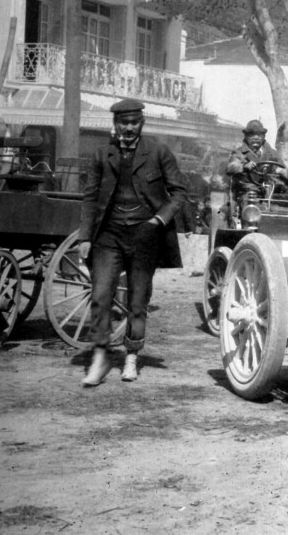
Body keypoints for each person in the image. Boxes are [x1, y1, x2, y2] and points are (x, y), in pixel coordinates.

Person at [78, 99, 188, 386]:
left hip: (144, 236)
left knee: (137, 300)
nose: (128, 128)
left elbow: (179, 193)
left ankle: (131, 357)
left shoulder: (158, 152)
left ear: (142, 123)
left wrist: (157, 221)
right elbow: (90, 197)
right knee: (101, 295)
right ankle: (99, 357)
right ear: (115, 124)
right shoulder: (103, 154)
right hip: (108, 236)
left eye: (134, 122)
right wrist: (85, 237)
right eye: (123, 123)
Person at [226, 119, 281, 206]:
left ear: (264, 136)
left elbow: (281, 169)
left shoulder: (273, 154)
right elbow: (231, 167)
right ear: (246, 136)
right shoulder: (238, 152)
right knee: (250, 209)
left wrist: (276, 171)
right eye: (251, 135)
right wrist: (243, 166)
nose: (256, 138)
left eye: (259, 135)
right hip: (247, 191)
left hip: (270, 191)